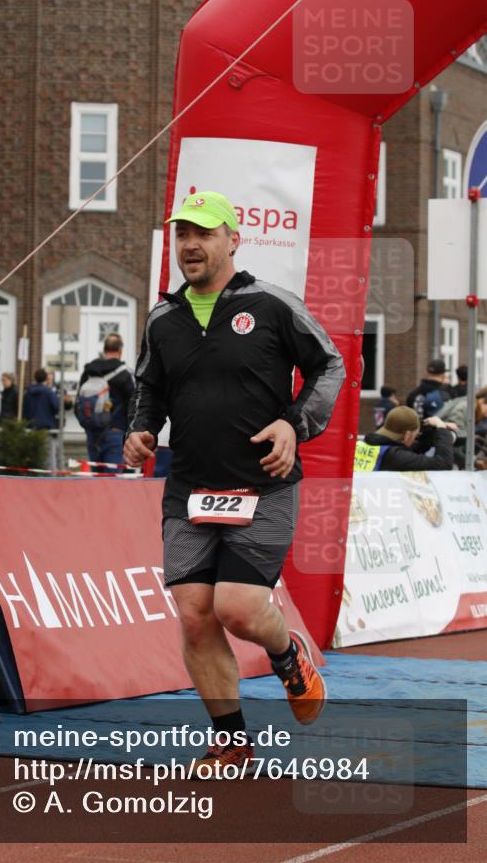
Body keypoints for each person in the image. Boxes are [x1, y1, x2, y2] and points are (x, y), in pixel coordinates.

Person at [124, 190, 345, 777]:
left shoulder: (271, 304)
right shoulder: (163, 319)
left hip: (263, 485)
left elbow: (330, 364)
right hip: (189, 489)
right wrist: (141, 429)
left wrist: (294, 425)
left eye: (203, 233)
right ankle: (231, 740)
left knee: (240, 609)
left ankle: (286, 651)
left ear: (231, 239)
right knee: (196, 613)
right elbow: (150, 387)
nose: (190, 246)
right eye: (182, 236)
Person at [76, 333, 135, 471]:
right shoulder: (125, 374)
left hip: (93, 433)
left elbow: (78, 403)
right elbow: (133, 405)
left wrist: (88, 425)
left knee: (97, 480)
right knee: (112, 482)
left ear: (104, 350)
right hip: (115, 432)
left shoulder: (89, 372)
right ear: (120, 351)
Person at [360, 406, 455, 471]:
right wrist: (441, 428)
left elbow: (411, 450)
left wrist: (428, 430)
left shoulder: (361, 444)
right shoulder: (395, 456)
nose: (415, 439)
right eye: (415, 436)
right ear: (407, 435)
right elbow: (443, 463)